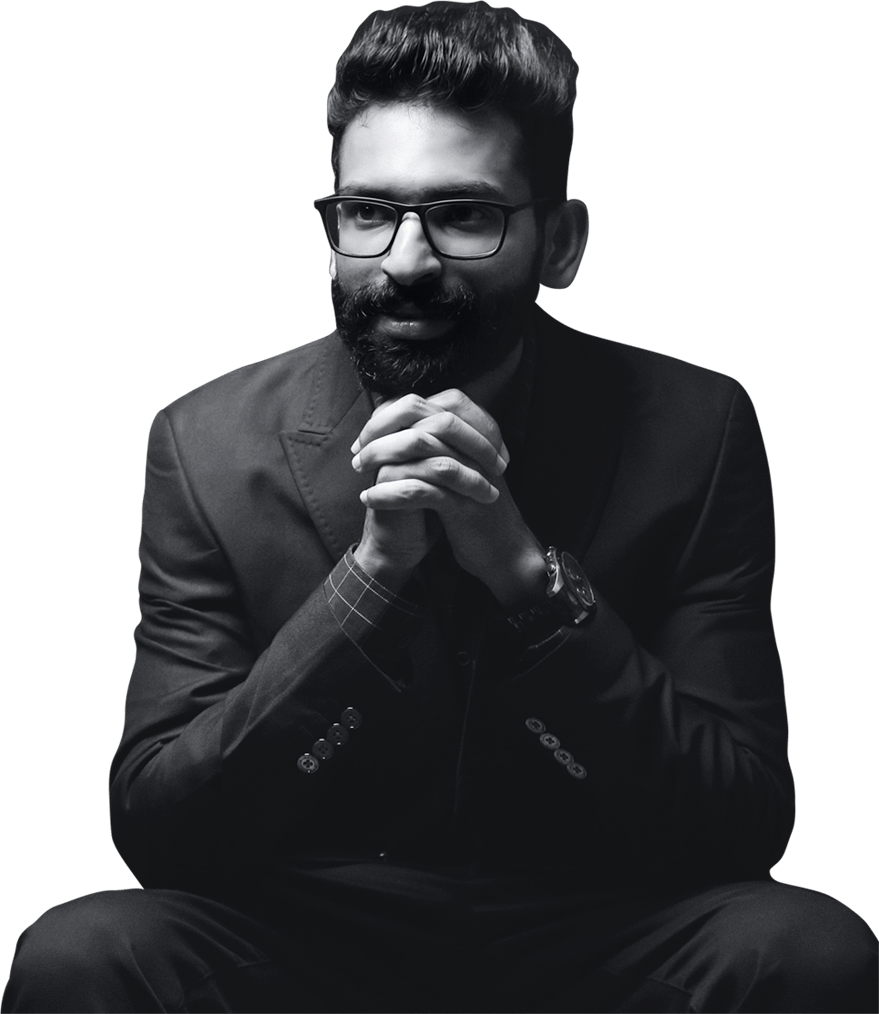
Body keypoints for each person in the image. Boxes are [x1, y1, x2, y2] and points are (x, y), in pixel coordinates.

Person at [4, 3, 877, 1012]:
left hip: (594, 923)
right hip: (308, 930)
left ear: (560, 243)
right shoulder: (202, 441)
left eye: (464, 215)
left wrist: (525, 576)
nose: (406, 262)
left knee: (806, 947)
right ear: (331, 238)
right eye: (367, 213)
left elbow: (741, 824)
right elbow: (162, 832)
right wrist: (370, 581)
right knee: (82, 953)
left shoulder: (698, 426)